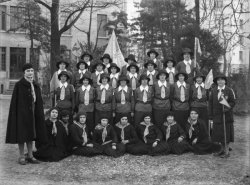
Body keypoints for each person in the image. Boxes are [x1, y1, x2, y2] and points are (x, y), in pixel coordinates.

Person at [6, 63, 47, 165]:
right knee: (22, 135)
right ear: (24, 73)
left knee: (31, 134)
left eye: (31, 71)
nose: (30, 73)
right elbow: (14, 102)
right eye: (28, 71)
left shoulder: (35, 85)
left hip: (33, 114)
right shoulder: (19, 85)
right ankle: (21, 156)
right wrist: (16, 115)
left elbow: (38, 101)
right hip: (22, 114)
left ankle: (30, 156)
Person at [208, 74, 236, 158]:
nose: (220, 81)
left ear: (225, 81)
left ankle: (226, 151)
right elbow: (210, 104)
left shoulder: (229, 90)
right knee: (218, 134)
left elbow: (233, 102)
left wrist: (227, 108)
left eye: (222, 80)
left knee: (226, 134)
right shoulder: (213, 91)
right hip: (217, 116)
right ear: (216, 82)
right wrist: (210, 116)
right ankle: (221, 150)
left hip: (226, 116)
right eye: (218, 80)